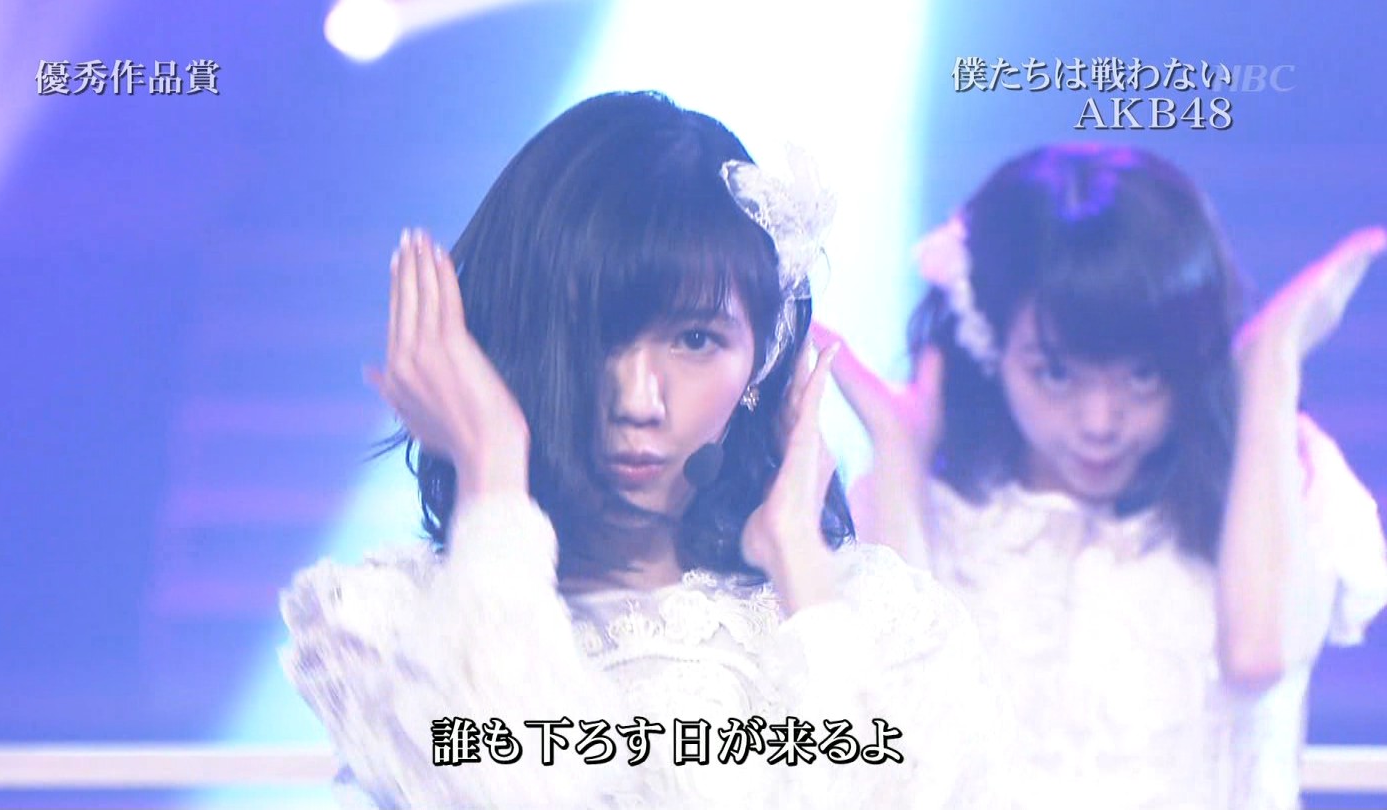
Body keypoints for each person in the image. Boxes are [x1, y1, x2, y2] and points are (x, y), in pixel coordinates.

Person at [279, 91, 1010, 809]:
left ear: (762, 361)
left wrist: (799, 564)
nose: (637, 400)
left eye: (695, 339)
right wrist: (493, 472)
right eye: (596, 336)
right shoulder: (393, 623)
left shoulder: (881, 620)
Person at [823, 143, 1387, 809]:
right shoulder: (925, 498)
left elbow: (1257, 656)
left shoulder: (1283, 472)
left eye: (1142, 375)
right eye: (1055, 373)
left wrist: (1268, 369)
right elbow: (900, 746)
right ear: (990, 343)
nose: (1099, 422)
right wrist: (899, 460)